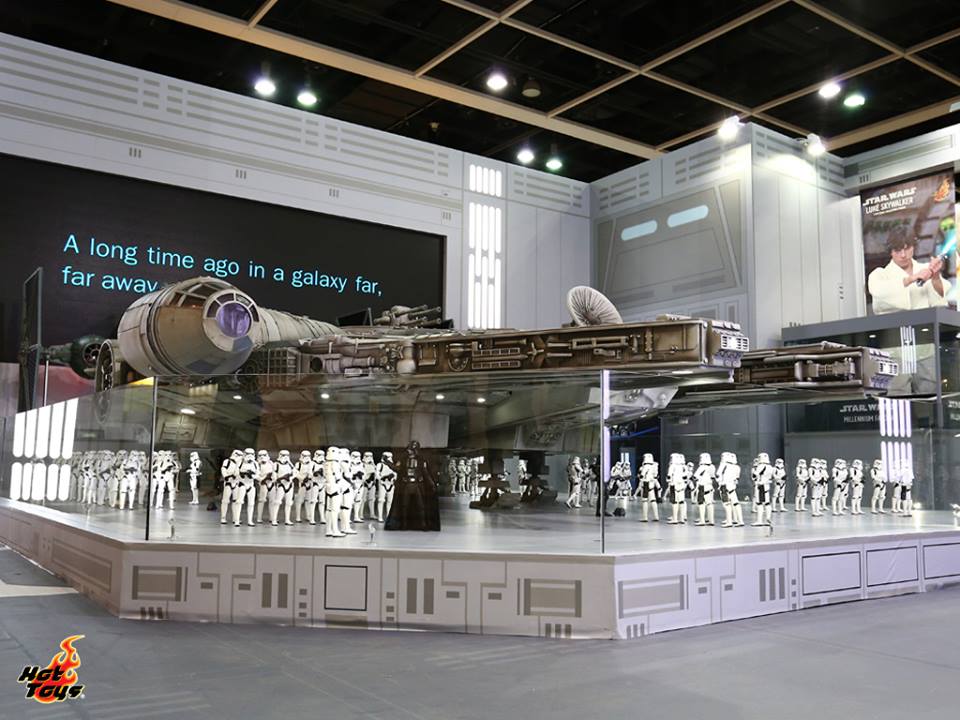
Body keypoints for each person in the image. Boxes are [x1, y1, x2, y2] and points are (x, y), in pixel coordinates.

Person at [867, 228, 950, 314]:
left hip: (926, 320)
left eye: (907, 248)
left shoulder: (925, 268)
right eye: (897, 250)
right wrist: (911, 279)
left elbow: (940, 301)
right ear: (891, 252)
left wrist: (936, 277)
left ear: (913, 247)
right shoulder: (879, 274)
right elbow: (878, 291)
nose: (903, 255)